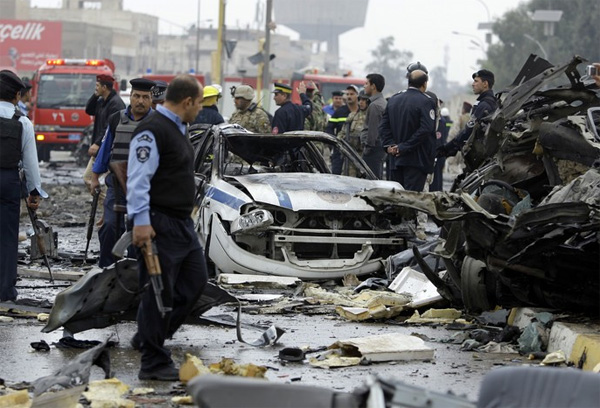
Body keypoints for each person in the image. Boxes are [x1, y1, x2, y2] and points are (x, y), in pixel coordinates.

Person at [126, 74, 208, 381]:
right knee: (159, 292)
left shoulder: (178, 128)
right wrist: (142, 222)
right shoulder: (152, 131)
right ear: (187, 102)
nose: (200, 108)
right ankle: (153, 362)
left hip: (181, 225)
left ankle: (148, 337)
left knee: (195, 282)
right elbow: (138, 179)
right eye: (199, 103)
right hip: (158, 223)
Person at [90, 78, 155, 268]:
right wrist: (95, 177)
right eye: (136, 96)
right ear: (131, 97)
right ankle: (106, 270)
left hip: (146, 189)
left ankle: (134, 271)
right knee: (110, 226)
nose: (140, 101)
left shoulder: (158, 123)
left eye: (145, 97)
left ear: (151, 99)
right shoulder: (117, 119)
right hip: (116, 186)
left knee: (137, 231)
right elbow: (105, 149)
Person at [0, 70, 47, 302]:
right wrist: (34, 192)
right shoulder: (23, 122)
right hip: (8, 182)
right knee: (8, 236)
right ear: (17, 95)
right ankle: (5, 290)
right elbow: (30, 163)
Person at [379, 69, 437, 192]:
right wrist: (403, 147)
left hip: (395, 159)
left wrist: (390, 145)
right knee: (411, 200)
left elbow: (383, 126)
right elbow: (426, 129)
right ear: (425, 84)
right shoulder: (426, 101)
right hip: (416, 160)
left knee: (396, 197)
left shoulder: (394, 99)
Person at [437, 69, 497, 157]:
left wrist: (447, 148)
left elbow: (469, 130)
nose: (473, 84)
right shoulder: (491, 102)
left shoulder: (484, 105)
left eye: (476, 81)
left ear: (485, 84)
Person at [83, 74, 125, 190]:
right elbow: (89, 110)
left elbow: (108, 128)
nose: (95, 88)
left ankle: (106, 205)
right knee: (91, 180)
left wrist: (97, 143)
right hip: (100, 147)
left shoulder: (115, 104)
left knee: (89, 178)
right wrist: (95, 96)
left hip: (106, 148)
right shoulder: (102, 101)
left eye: (97, 86)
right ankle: (103, 205)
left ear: (104, 87)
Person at [326, 85, 359, 174]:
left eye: (352, 94)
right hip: (340, 149)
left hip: (357, 151)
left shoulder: (361, 111)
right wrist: (334, 142)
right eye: (347, 94)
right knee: (337, 174)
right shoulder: (340, 112)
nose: (349, 96)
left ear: (357, 96)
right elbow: (329, 128)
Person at [361, 73, 387, 178]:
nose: (364, 86)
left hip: (373, 150)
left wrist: (367, 150)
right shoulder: (382, 102)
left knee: (372, 180)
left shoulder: (375, 105)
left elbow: (373, 132)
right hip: (379, 149)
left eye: (366, 83)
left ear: (373, 86)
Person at [343, 90, 368, 176]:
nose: (361, 102)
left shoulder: (370, 116)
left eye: (364, 100)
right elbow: (343, 133)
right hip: (351, 155)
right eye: (360, 100)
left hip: (364, 156)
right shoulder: (352, 115)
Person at [430, 106, 453, 192]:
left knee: (435, 175)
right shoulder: (448, 121)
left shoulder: (440, 122)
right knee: (439, 174)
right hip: (444, 148)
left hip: (438, 150)